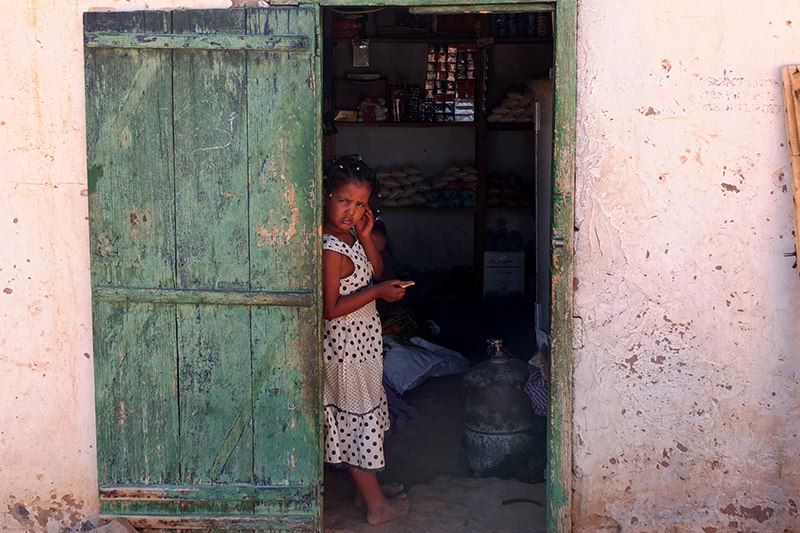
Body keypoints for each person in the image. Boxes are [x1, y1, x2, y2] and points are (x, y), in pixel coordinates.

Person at [321, 156, 410, 525]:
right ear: (327, 196)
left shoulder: (350, 236)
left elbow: (374, 269)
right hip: (344, 351)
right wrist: (377, 293)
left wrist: (364, 234)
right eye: (345, 201)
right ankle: (376, 507)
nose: (351, 211)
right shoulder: (330, 248)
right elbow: (332, 308)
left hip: (363, 348)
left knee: (365, 416)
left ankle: (365, 493)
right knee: (356, 425)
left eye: (360, 204)